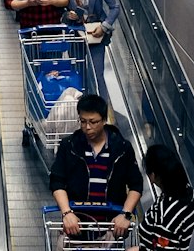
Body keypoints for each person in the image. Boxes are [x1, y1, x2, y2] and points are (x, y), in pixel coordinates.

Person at [50, 94, 142, 239]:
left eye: (93, 122)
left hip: (111, 226)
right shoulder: (69, 146)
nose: (87, 127)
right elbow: (57, 181)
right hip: (77, 224)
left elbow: (136, 185)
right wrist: (67, 213)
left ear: (104, 120)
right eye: (83, 121)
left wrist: (126, 215)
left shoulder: (122, 148)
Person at [64, 0, 120, 96]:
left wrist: (104, 26)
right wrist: (67, 15)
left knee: (97, 73)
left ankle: (101, 107)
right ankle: (81, 104)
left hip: (96, 32)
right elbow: (60, 7)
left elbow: (115, 7)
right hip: (76, 32)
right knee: (78, 70)